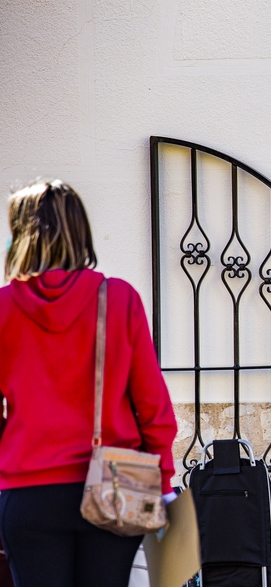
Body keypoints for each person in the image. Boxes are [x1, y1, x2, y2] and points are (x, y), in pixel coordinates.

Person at [0, 180, 178, 587]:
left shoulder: (2, 309)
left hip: (27, 491)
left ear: (21, 236)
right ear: (81, 232)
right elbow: (153, 406)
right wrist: (163, 482)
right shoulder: (118, 299)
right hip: (116, 483)